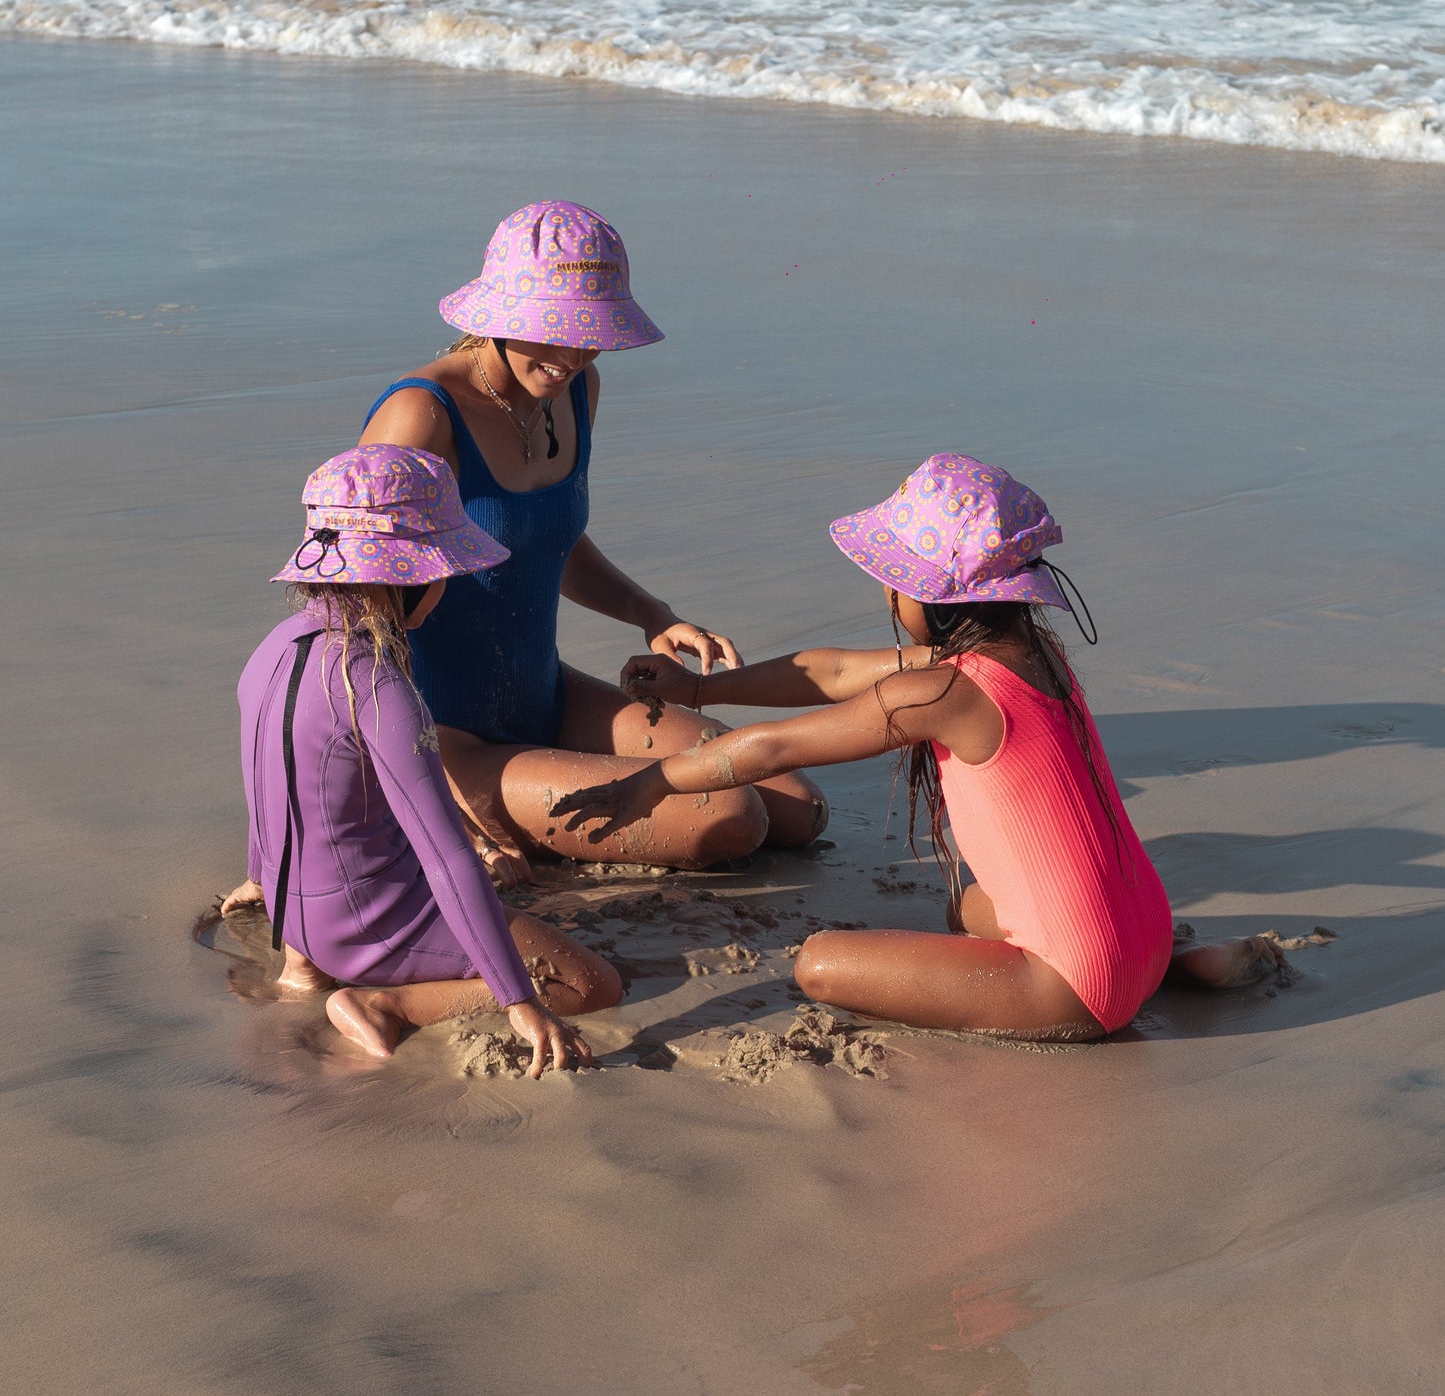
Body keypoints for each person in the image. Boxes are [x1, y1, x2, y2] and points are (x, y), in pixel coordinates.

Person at [552, 454, 1283, 1041]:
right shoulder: (1030, 657)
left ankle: (1106, 992)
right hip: (1144, 930)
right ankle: (1182, 965)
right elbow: (831, 670)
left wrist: (648, 784)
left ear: (930, 598)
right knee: (970, 907)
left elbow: (772, 747)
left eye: (892, 582)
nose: (886, 598)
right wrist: (700, 692)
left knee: (820, 963)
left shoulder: (943, 692)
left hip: (1077, 984)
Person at [357, 199, 827, 886]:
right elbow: (345, 604)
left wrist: (652, 613)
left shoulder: (574, 391)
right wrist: (420, 780)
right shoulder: (422, 415)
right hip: (438, 732)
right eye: (551, 329)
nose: (571, 353)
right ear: (497, 316)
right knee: (730, 817)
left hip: (541, 695)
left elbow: (549, 540)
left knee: (795, 808)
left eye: (588, 331)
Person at [221, 445, 621, 1073]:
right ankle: (386, 1006)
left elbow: (266, 784)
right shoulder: (376, 686)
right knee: (589, 982)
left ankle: (304, 969)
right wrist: (518, 1000)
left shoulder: (273, 649)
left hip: (291, 912)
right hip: (366, 930)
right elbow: (447, 858)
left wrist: (260, 879)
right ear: (407, 578)